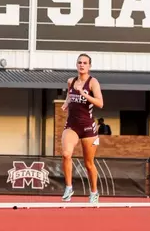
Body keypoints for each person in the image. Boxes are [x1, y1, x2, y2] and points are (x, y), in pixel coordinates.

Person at [60, 53, 104, 203]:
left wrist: (85, 95)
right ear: (76, 65)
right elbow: (69, 95)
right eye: (79, 62)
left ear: (89, 66)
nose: (82, 65)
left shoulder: (93, 82)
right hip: (72, 125)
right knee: (66, 154)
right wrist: (66, 103)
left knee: (89, 163)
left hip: (88, 128)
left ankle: (94, 192)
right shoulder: (71, 81)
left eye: (85, 63)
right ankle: (68, 187)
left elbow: (100, 103)